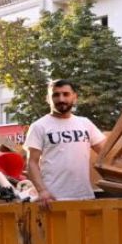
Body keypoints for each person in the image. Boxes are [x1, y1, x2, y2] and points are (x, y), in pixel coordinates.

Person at [25, 80, 107, 208]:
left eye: (66, 94)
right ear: (48, 98)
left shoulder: (85, 123)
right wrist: (42, 191)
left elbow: (106, 153)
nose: (61, 99)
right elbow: (32, 162)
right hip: (53, 200)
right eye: (56, 95)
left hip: (84, 197)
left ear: (75, 97)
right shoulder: (39, 126)